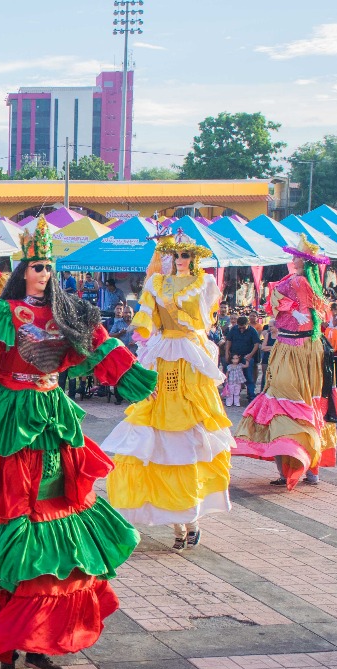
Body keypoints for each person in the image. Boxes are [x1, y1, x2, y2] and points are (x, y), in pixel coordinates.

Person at [0, 216, 157, 669]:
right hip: (10, 418)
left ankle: (35, 639)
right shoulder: (4, 314)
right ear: (22, 271)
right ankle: (7, 644)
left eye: (50, 268)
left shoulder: (71, 314)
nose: (44, 275)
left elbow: (102, 350)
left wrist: (134, 381)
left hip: (53, 415)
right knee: (7, 515)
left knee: (56, 516)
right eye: (37, 268)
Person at [102, 231, 233, 550]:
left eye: (186, 255)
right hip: (161, 358)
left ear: (195, 259)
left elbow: (204, 321)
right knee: (155, 450)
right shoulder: (156, 285)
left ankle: (190, 521)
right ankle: (179, 524)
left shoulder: (205, 284)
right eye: (175, 255)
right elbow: (145, 322)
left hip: (187, 362)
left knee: (187, 448)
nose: (180, 260)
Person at [233, 235, 337, 489]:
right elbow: (303, 310)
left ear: (306, 262)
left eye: (298, 258)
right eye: (294, 257)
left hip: (295, 348)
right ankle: (308, 466)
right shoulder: (305, 282)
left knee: (286, 402)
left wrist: (291, 308)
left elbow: (288, 306)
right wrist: (293, 309)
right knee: (300, 404)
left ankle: (299, 463)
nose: (293, 260)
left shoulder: (301, 281)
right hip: (299, 347)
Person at [225, 314, 261, 401]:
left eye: (243, 327)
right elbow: (229, 341)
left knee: (248, 376)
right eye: (240, 327)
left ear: (247, 324)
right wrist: (227, 352)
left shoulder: (252, 331)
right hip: (235, 356)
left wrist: (251, 355)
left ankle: (251, 396)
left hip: (247, 356)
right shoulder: (234, 329)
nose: (241, 329)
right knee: (232, 377)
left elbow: (256, 344)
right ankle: (231, 396)